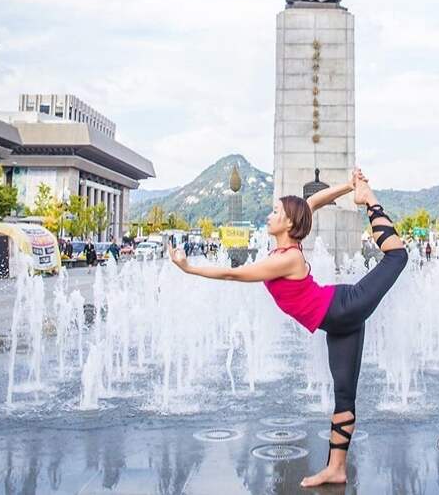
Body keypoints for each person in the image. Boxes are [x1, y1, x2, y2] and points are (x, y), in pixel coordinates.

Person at [168, 169, 407, 488]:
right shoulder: (285, 249)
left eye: (276, 212)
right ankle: (336, 468)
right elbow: (313, 202)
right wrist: (346, 185)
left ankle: (370, 202)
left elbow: (233, 275)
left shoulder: (288, 259)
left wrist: (189, 268)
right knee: (344, 395)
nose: (270, 215)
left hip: (345, 306)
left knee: (397, 256)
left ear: (290, 224)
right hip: (338, 321)